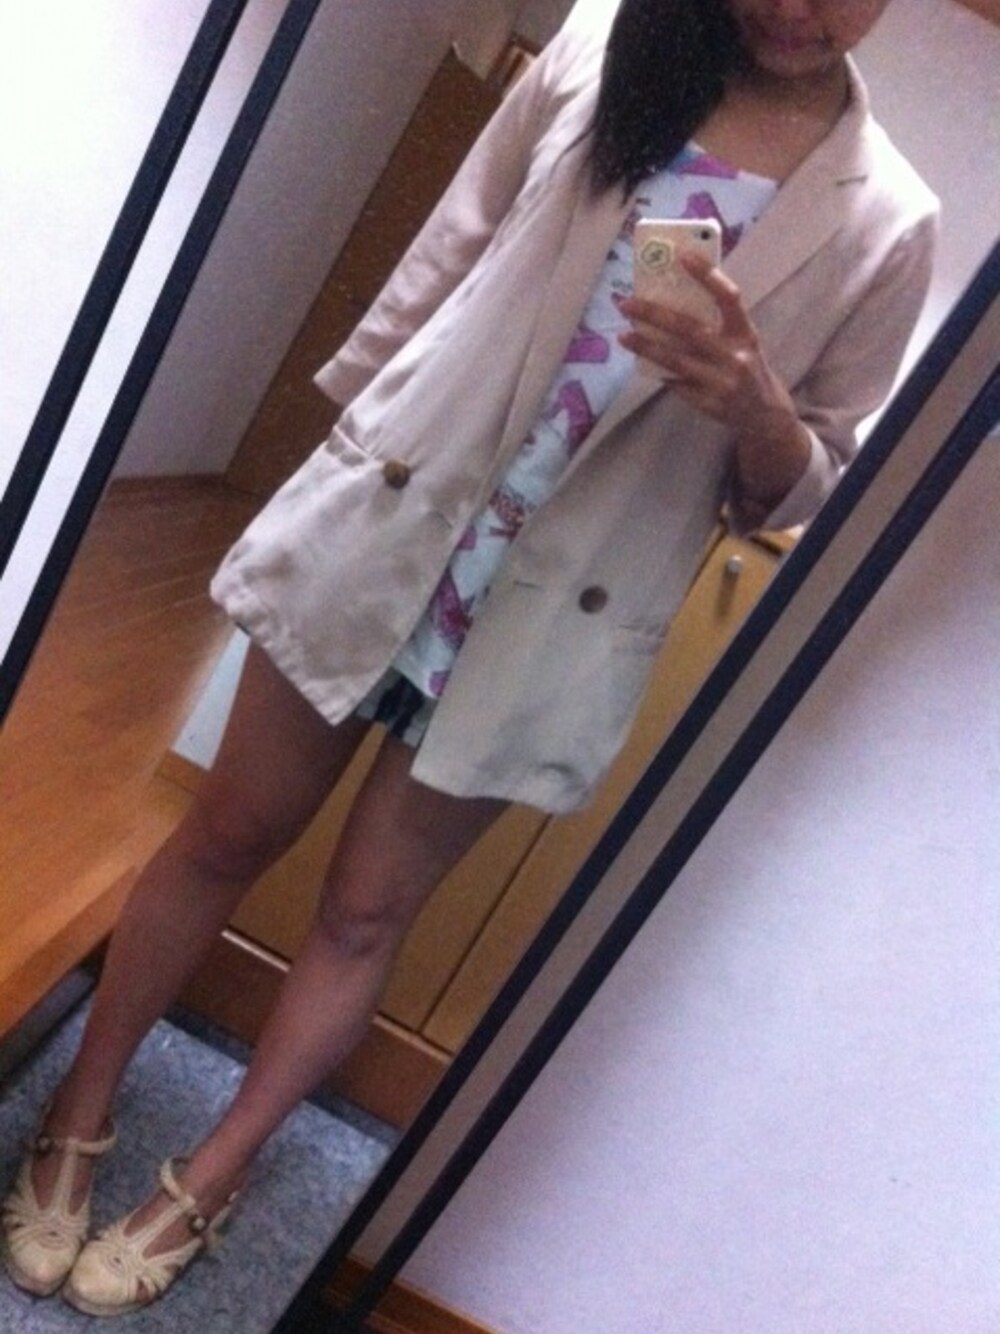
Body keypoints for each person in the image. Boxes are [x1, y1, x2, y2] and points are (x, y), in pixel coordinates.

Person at [3, 0, 937, 1316]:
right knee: (226, 828)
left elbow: (805, 485)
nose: (800, 5)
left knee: (365, 913)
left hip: (565, 600)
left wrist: (754, 400)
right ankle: (75, 1114)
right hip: (399, 506)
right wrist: (341, 453)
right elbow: (452, 241)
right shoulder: (606, 42)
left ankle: (213, 1173)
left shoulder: (889, 215)